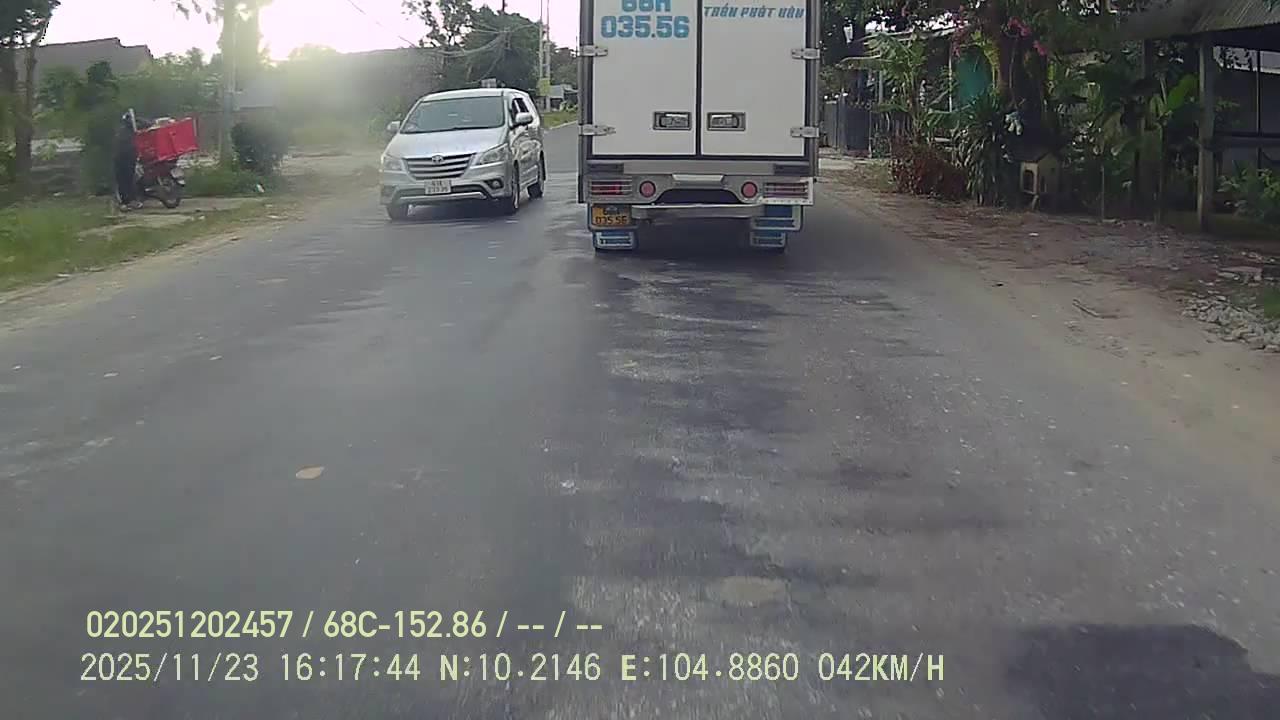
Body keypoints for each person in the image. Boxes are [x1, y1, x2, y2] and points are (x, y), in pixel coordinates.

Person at [114, 109, 142, 211]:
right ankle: (127, 202)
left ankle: (127, 202)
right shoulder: (127, 131)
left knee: (125, 180)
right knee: (127, 180)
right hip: (125, 157)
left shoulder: (123, 130)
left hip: (123, 157)